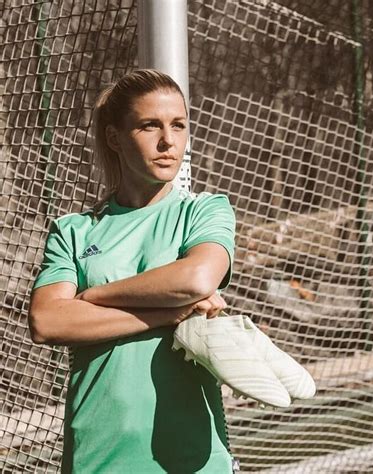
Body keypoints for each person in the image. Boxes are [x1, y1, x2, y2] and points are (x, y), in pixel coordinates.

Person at [28, 69, 237, 473]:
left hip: (194, 456)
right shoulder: (74, 231)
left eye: (178, 125)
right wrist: (166, 312)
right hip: (100, 453)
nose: (168, 141)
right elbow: (46, 320)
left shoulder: (205, 211)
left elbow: (195, 279)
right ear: (114, 138)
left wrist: (92, 297)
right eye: (149, 126)